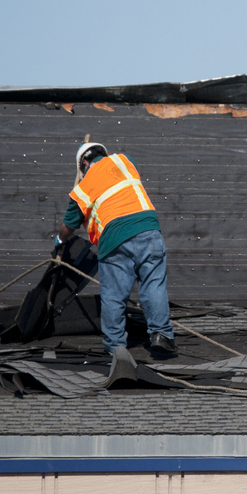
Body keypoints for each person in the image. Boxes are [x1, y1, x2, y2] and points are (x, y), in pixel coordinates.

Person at [56, 142, 176, 356]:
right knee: (153, 285)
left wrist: (59, 240)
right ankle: (161, 335)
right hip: (149, 229)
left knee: (113, 296)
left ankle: (116, 347)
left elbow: (68, 227)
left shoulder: (81, 189)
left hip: (115, 238)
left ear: (83, 163)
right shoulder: (124, 161)